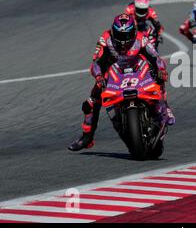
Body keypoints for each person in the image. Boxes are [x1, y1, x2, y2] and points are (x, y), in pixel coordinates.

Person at [68, 14, 175, 152]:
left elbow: (156, 57)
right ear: (113, 31)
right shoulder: (105, 39)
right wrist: (99, 76)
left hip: (139, 69)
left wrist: (161, 69)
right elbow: (96, 63)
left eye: (126, 35)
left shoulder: (141, 39)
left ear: (133, 32)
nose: (123, 41)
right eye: (119, 35)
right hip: (114, 72)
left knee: (159, 77)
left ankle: (165, 107)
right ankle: (87, 137)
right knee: (90, 103)